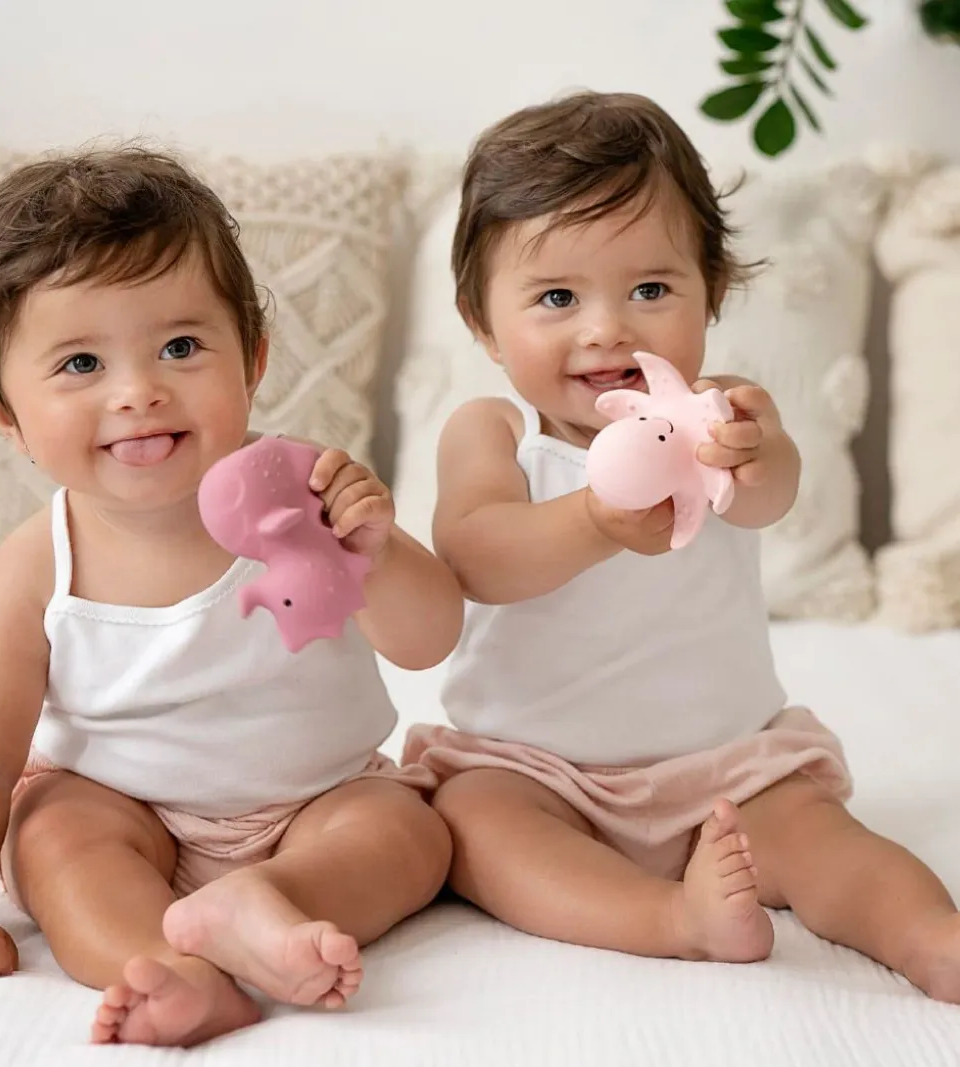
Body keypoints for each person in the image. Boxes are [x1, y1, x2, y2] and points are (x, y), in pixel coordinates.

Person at [405, 91, 960, 1002]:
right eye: (557, 297)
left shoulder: (719, 411)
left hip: (724, 765)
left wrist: (754, 452)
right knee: (475, 827)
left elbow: (770, 496)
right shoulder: (493, 431)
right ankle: (671, 918)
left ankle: (931, 937)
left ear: (714, 290)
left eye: (651, 290)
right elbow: (475, 557)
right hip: (534, 767)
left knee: (825, 840)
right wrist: (592, 520)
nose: (607, 328)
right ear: (480, 320)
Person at [0, 146, 460, 1047]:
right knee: (51, 833)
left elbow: (429, 640)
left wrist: (377, 553)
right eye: (81, 362)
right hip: (121, 805)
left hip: (317, 799)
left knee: (411, 833)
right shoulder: (34, 566)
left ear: (252, 360)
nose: (138, 391)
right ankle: (173, 970)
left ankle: (269, 900)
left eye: (180, 347)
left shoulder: (305, 496)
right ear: (7, 415)